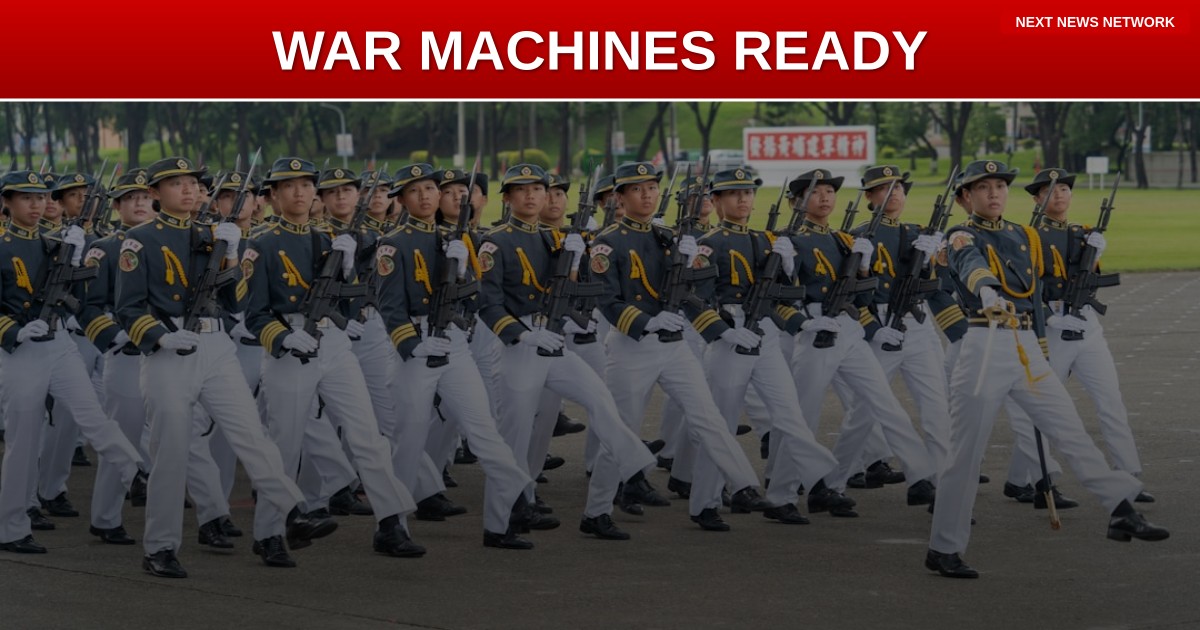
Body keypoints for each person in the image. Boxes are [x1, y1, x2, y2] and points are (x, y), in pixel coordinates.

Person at [926, 160, 1167, 579]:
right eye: (983, 187)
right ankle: (944, 547)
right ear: (965, 197)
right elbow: (969, 264)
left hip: (1025, 346)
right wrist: (988, 291)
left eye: (1000, 185)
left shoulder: (1023, 235)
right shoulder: (961, 234)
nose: (994, 193)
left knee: (1070, 430)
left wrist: (1039, 345)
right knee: (965, 454)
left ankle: (1120, 509)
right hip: (985, 344)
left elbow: (1035, 297)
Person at [115, 157, 337, 578]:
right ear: (155, 194)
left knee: (251, 435)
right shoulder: (138, 240)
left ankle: (292, 512)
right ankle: (160, 547)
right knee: (171, 453)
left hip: (215, 345)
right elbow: (127, 307)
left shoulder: (212, 235)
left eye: (192, 183)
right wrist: (159, 336)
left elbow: (236, 301)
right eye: (176, 184)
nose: (187, 190)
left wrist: (231, 256)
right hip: (169, 349)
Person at [242, 157, 424, 568]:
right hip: (291, 344)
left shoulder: (331, 238)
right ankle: (269, 533)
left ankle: (392, 523)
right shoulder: (261, 243)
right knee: (285, 445)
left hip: (335, 343)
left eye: (306, 184)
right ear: (274, 195)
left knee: (367, 436)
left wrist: (349, 268)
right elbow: (254, 315)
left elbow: (353, 301)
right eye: (289, 186)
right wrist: (284, 338)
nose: (300, 192)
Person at [587, 161, 773, 532]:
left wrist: (688, 263)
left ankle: (743, 485)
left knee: (708, 418)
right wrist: (646, 321)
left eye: (651, 188)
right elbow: (605, 298)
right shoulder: (608, 241)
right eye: (637, 189)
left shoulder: (668, 236)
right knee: (623, 430)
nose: (647, 195)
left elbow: (689, 290)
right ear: (620, 197)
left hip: (673, 344)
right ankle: (596, 512)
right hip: (632, 345)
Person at [478, 163, 659, 541]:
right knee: (515, 436)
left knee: (598, 396)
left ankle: (633, 465)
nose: (531, 196)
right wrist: (521, 336)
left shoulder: (554, 239)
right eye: (521, 189)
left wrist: (576, 261)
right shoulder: (495, 242)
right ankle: (499, 524)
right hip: (518, 344)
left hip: (552, 340)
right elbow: (488, 304)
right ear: (507, 198)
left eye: (537, 189)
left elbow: (572, 288)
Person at [375, 162, 537, 549]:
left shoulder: (456, 239)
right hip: (416, 346)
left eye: (430, 188)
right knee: (409, 442)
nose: (425, 196)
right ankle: (391, 525)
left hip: (454, 343)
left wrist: (466, 270)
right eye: (414, 190)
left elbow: (478, 298)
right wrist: (412, 344)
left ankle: (507, 513)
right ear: (401, 200)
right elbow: (389, 307)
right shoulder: (392, 244)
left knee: (483, 430)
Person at [0, 170, 144, 554]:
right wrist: (14, 331)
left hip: (60, 342)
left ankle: (135, 472)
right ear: (7, 202)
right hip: (21, 350)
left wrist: (75, 258)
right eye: (26, 198)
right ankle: (11, 528)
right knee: (23, 441)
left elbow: (78, 296)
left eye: (40, 197)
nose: (36, 205)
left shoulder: (56, 244)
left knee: (92, 415)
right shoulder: (2, 246)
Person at [692, 167, 841, 525]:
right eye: (734, 193)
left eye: (747, 193)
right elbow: (694, 298)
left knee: (789, 413)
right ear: (716, 200)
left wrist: (801, 320)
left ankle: (801, 487)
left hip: (766, 335)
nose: (743, 199)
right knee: (723, 424)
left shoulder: (764, 241)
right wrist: (722, 331)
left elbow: (776, 298)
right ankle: (705, 502)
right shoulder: (709, 244)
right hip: (731, 336)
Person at [785, 168, 937, 517]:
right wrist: (804, 321)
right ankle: (785, 492)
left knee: (886, 405)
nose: (825, 197)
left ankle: (921, 476)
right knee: (801, 416)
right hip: (816, 329)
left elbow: (861, 293)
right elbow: (781, 297)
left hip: (851, 327)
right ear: (796, 202)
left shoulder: (843, 240)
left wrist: (866, 270)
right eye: (815, 192)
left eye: (829, 191)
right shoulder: (791, 241)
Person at [1023, 167, 1153, 502]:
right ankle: (1041, 481)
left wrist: (1096, 254)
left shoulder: (1083, 232)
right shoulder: (1029, 236)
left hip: (1086, 323)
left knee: (1110, 400)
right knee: (1045, 406)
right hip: (1054, 326)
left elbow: (1088, 278)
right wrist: (1050, 319)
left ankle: (1128, 476)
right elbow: (1026, 287)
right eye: (1051, 190)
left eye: (1065, 189)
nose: (1060, 194)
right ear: (1037, 199)